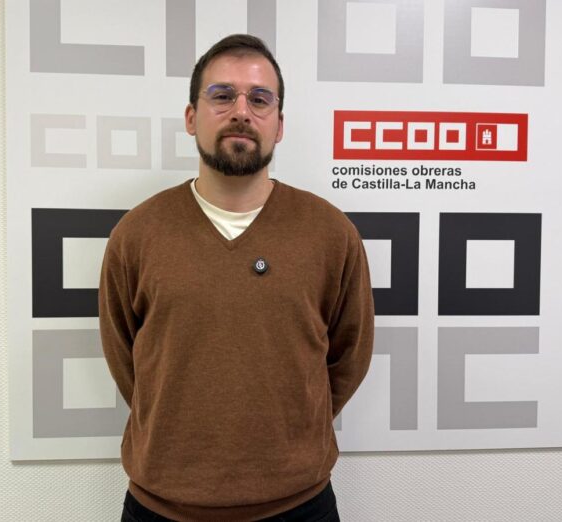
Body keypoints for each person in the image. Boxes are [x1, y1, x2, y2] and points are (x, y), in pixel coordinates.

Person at [99, 34, 374, 522]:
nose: (241, 111)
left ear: (279, 125)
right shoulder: (137, 234)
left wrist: (292, 429)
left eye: (260, 99)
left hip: (300, 508)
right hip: (161, 509)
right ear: (191, 117)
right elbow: (127, 358)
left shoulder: (330, 233)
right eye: (222, 95)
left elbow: (349, 354)